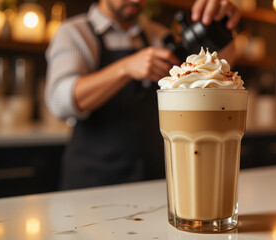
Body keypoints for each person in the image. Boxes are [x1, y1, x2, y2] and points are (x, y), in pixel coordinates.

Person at [45, 0, 241, 190]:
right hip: (92, 183)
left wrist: (222, 28)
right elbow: (59, 101)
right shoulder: (74, 32)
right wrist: (126, 68)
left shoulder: (158, 34)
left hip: (154, 181)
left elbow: (209, 78)